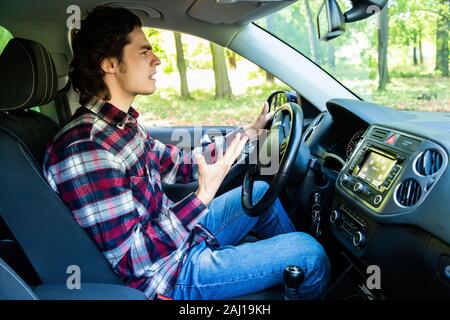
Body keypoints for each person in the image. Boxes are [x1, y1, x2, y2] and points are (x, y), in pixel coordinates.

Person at [43, 5, 330, 300]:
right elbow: (130, 259)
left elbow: (179, 164)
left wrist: (247, 135)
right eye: (143, 52)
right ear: (110, 64)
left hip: (180, 241)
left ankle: (281, 280)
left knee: (259, 194)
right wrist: (202, 196)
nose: (156, 60)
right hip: (167, 275)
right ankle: (294, 273)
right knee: (308, 254)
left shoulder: (120, 125)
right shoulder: (87, 149)